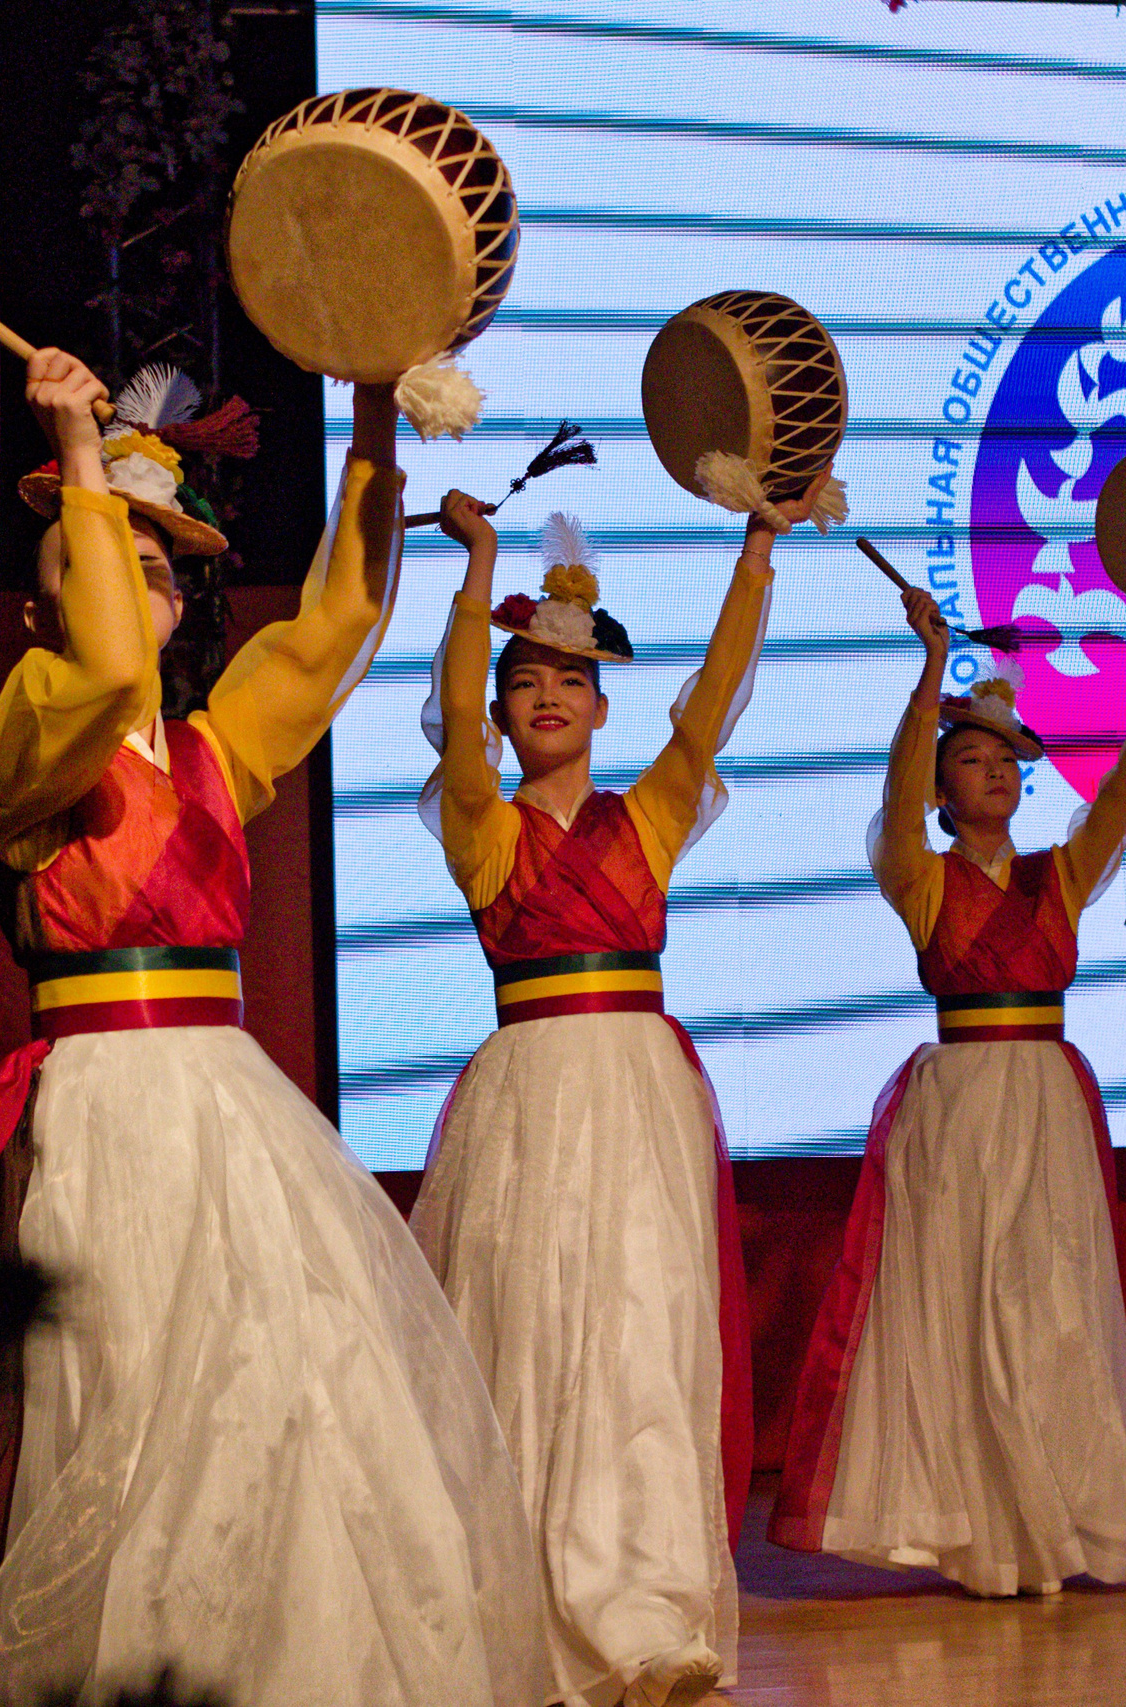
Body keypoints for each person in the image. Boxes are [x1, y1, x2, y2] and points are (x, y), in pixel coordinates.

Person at [0, 352, 546, 1705]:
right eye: (107, 550)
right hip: (98, 1117)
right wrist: (73, 440)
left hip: (229, 1108)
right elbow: (109, 663)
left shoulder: (213, 750)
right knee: (127, 1415)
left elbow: (343, 614)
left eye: (169, 564)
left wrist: (362, 407)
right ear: (38, 588)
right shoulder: (30, 738)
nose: (143, 581)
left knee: (280, 1404)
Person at [411, 486, 817, 1707]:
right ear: (496, 705)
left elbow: (711, 714)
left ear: (601, 705)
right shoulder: (481, 826)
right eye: (526, 677)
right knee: (529, 1345)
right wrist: (479, 573)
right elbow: (458, 751)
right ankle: (526, 1605)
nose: (549, 694)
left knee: (642, 1347)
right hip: (529, 1097)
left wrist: (756, 555)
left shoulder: (649, 816)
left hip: (639, 1092)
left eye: (574, 682)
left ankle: (648, 1621)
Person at [768, 585, 1126, 1596]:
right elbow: (898, 781)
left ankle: (1057, 1520)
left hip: (1043, 1100)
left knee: (1050, 1307)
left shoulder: (1060, 873)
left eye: (1005, 759)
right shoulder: (917, 872)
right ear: (940, 788)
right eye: (970, 758)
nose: (992, 769)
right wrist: (927, 677)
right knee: (959, 1304)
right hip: (957, 1106)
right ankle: (974, 1532)